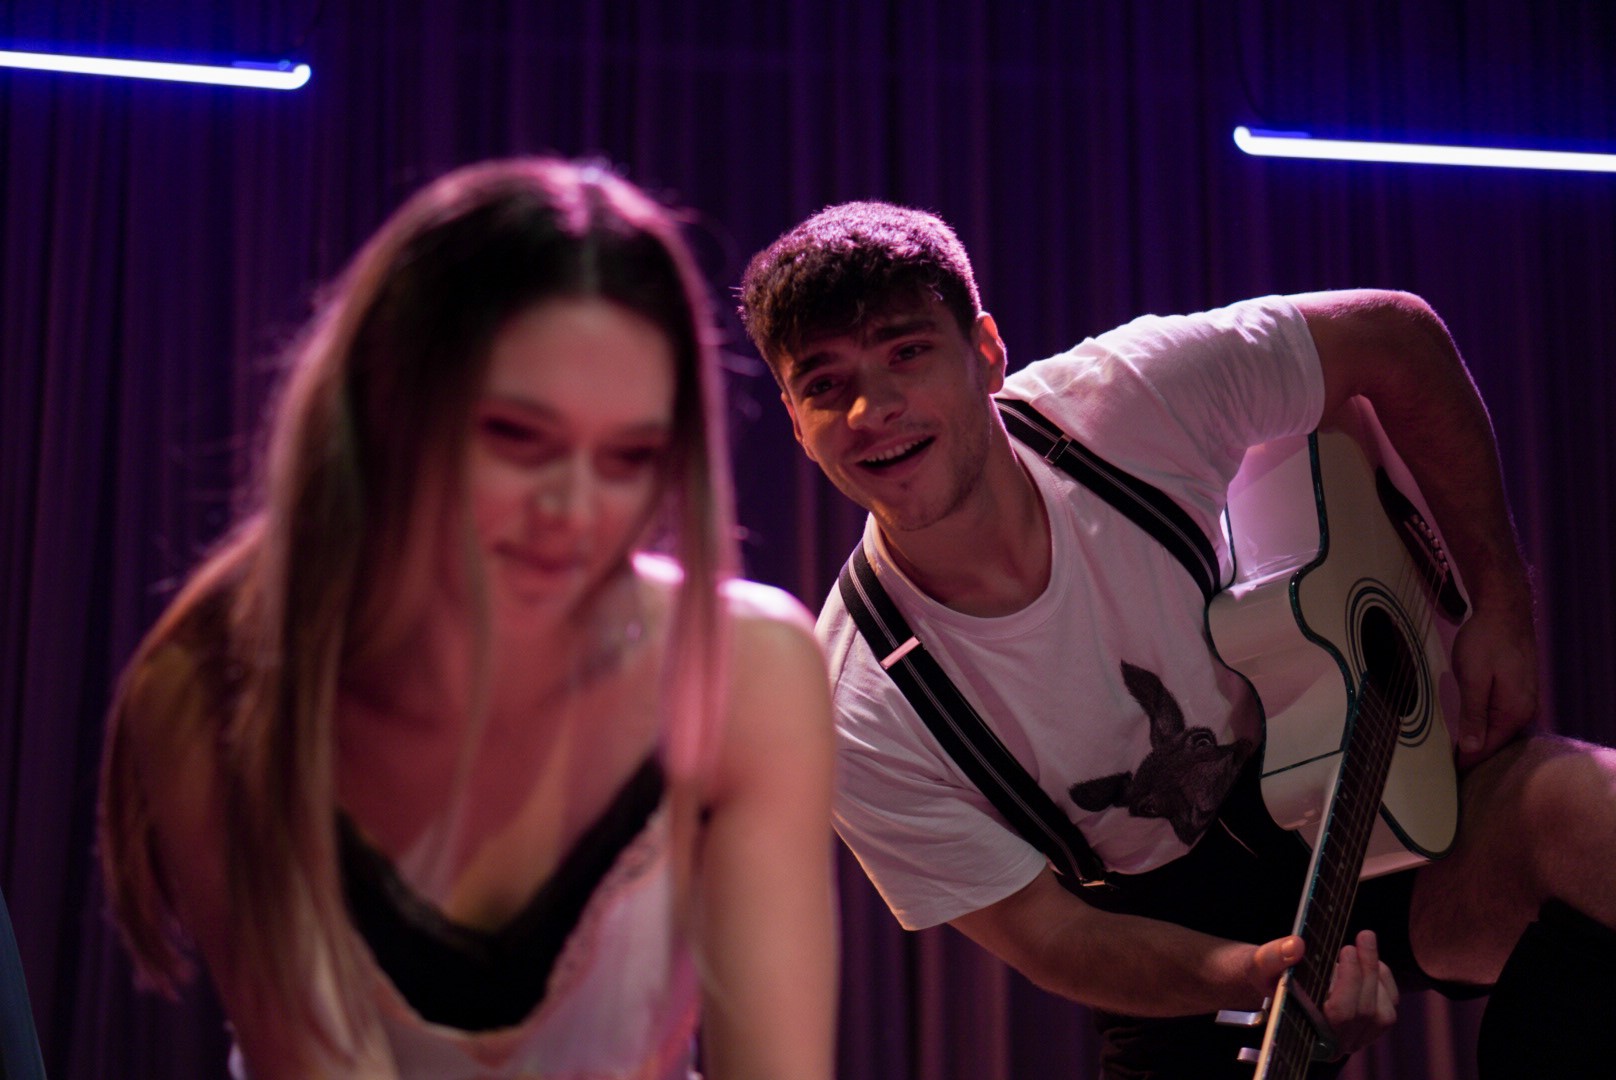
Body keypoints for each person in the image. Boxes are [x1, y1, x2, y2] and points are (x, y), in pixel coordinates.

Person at [737, 201, 1616, 1078]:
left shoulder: (1125, 400)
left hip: (1376, 768)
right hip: (1173, 953)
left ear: (986, 351)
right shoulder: (853, 706)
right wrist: (1253, 975)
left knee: (1595, 821)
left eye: (907, 353)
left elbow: (1395, 336)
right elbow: (1050, 935)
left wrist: (1499, 600)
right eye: (825, 385)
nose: (873, 408)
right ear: (793, 419)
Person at [98, 159, 838, 1080]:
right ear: (384, 407)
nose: (573, 511)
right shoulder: (214, 691)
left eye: (629, 458)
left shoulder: (744, 669)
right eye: (515, 438)